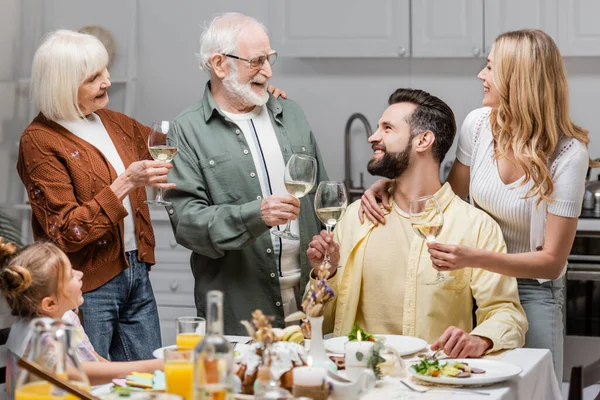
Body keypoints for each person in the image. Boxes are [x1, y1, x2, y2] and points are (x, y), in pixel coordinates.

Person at [361, 30, 593, 379]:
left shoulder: (568, 155)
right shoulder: (478, 125)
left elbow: (550, 262)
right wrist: (392, 184)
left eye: (490, 67)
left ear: (519, 80)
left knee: (531, 380)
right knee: (463, 379)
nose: (480, 76)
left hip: (531, 286)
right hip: (473, 277)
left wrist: (472, 257)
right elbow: (449, 199)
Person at [308, 88, 527, 358]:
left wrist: (480, 339)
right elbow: (317, 322)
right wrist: (324, 273)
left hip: (434, 378)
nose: (373, 137)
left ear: (423, 140)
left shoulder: (475, 226)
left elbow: (506, 313)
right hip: (359, 377)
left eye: (387, 128)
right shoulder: (356, 217)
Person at [164, 13, 328, 335]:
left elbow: (324, 197)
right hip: (242, 311)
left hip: (311, 302)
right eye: (257, 61)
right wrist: (256, 215)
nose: (267, 71)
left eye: (269, 59)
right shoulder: (187, 130)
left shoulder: (290, 113)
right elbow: (187, 224)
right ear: (220, 65)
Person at [16, 29, 173, 361]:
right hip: (85, 286)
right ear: (63, 86)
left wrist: (246, 99)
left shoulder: (113, 122)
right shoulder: (39, 141)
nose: (107, 82)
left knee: (149, 381)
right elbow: (65, 231)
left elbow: (176, 140)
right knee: (92, 386)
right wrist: (124, 184)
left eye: (105, 71)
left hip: (136, 270)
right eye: (93, 78)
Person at [0, 238, 163, 396]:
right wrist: (150, 366)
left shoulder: (66, 316)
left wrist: (136, 380)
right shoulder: (38, 334)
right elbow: (74, 372)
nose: (80, 274)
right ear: (49, 304)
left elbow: (94, 358)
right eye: (70, 275)